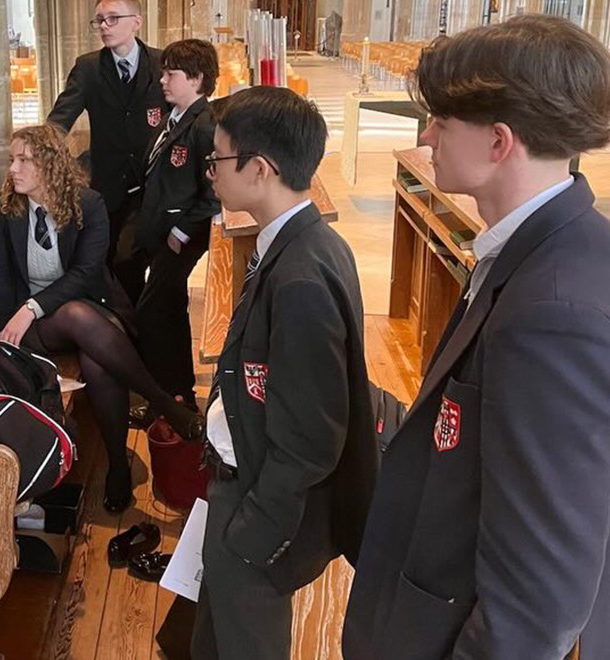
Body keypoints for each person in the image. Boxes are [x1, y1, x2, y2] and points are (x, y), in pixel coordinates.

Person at [343, 16, 610, 660]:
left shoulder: (560, 318)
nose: (427, 136)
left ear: (500, 142)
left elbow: (535, 605)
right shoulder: (562, 247)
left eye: (441, 121)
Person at [189, 86, 377, 659]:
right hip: (240, 481)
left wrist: (254, 531)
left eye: (218, 159)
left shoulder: (299, 277)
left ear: (260, 168)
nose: (211, 172)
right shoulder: (299, 243)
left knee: (247, 645)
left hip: (260, 506)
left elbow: (313, 438)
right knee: (213, 642)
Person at [0, 124, 202, 513]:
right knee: (74, 317)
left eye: (24, 160)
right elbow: (1, 279)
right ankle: (165, 405)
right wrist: (11, 324)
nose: (13, 169)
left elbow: (85, 274)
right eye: (12, 160)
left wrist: (31, 308)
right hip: (34, 327)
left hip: (89, 310)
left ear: (50, 166)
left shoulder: (89, 205)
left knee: (96, 362)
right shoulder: (6, 212)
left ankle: (117, 467)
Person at [128, 39, 221, 411]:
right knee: (170, 311)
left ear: (196, 78)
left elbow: (213, 192)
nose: (163, 80)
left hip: (180, 238)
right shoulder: (174, 118)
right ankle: (180, 392)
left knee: (150, 315)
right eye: (163, 72)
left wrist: (180, 232)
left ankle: (162, 399)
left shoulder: (205, 126)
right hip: (158, 231)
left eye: (171, 74)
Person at [47, 0, 167, 271]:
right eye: (99, 19)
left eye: (112, 18)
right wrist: (38, 154)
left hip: (153, 185)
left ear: (137, 21)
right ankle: (118, 314)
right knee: (110, 263)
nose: (103, 25)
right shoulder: (88, 68)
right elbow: (59, 121)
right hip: (108, 185)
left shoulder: (162, 63)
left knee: (146, 263)